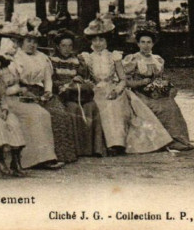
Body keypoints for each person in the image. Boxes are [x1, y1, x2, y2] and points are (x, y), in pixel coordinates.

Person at [79, 15, 172, 155]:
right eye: (95, 39)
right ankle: (101, 145)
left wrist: (116, 90)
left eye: (101, 39)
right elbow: (84, 77)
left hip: (113, 88)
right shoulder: (87, 58)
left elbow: (122, 79)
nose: (98, 43)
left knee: (115, 104)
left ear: (107, 40)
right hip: (95, 90)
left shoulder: (114, 57)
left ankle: (117, 144)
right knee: (99, 104)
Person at [11, 17, 78, 165]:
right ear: (21, 42)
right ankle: (43, 157)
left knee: (61, 113)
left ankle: (62, 155)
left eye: (35, 42)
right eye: (28, 41)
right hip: (24, 93)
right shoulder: (16, 58)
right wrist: (24, 91)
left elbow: (48, 78)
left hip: (42, 91)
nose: (32, 45)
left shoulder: (42, 58)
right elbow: (14, 80)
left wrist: (48, 91)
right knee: (44, 116)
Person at [122, 22, 194, 151]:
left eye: (149, 42)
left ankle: (177, 140)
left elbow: (161, 78)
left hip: (157, 92)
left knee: (170, 105)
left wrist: (169, 87)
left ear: (153, 44)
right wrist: (140, 83)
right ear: (137, 44)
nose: (145, 45)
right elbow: (125, 81)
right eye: (142, 42)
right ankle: (157, 142)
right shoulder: (132, 59)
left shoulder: (158, 59)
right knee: (153, 106)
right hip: (139, 93)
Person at [50, 29, 105, 157]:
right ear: (58, 46)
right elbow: (51, 81)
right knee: (73, 108)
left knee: (91, 106)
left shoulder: (77, 61)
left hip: (77, 93)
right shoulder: (52, 61)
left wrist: (81, 80)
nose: (67, 49)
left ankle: (93, 149)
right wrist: (69, 82)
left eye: (70, 45)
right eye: (63, 45)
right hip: (61, 94)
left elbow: (85, 77)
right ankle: (77, 149)